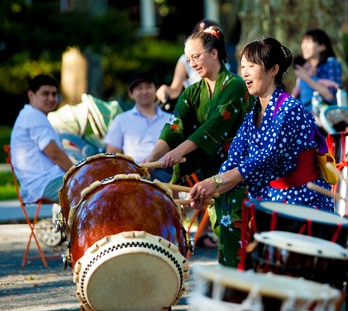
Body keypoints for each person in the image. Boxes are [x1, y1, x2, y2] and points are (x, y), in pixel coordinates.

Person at [188, 37, 335, 267]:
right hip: (270, 200)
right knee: (225, 201)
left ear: (273, 70)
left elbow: (265, 159)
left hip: (302, 201)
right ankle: (234, 277)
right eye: (243, 66)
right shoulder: (251, 116)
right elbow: (234, 161)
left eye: (251, 66)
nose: (244, 73)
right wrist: (208, 189)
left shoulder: (290, 109)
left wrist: (215, 182)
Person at [142, 25, 252, 253]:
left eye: (196, 57)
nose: (191, 64)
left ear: (214, 53)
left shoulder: (235, 85)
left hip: (240, 174)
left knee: (240, 241)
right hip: (213, 177)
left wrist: (178, 152)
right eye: (188, 59)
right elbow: (174, 126)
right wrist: (150, 160)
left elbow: (212, 128)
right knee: (226, 237)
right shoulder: (192, 92)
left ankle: (246, 285)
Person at [10, 74, 75, 204]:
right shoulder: (33, 116)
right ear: (31, 95)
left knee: (95, 187)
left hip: (41, 184)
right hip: (44, 185)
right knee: (95, 189)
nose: (51, 98)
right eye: (45, 94)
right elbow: (55, 154)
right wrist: (78, 173)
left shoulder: (30, 115)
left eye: (54, 94)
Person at [104, 71, 172, 182]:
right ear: (131, 93)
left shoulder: (171, 119)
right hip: (134, 174)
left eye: (148, 87)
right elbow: (112, 157)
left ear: (156, 89)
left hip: (167, 172)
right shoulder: (121, 120)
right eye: (139, 88)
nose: (144, 92)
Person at [155, 19, 224, 112]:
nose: (192, 64)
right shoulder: (184, 60)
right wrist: (166, 90)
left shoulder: (223, 58)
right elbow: (175, 89)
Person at [292, 28, 343, 115]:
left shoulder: (331, 63)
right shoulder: (310, 69)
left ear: (322, 47)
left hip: (326, 115)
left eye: (308, 42)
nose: (304, 46)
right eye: (303, 42)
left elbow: (331, 96)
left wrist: (307, 78)